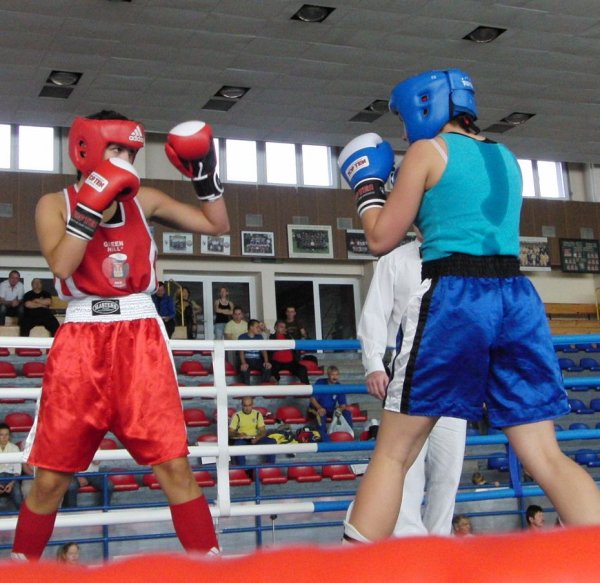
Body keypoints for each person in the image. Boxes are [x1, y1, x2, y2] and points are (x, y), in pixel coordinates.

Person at [338, 69, 600, 544]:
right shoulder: (506, 157)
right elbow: (455, 223)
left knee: (394, 453)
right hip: (516, 299)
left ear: (424, 107)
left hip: (456, 298)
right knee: (545, 454)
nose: (404, 134)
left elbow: (380, 238)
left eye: (404, 121)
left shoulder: (427, 152)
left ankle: (352, 570)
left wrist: (367, 189)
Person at [12, 111, 228, 560]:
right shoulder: (54, 203)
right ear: (86, 150)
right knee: (49, 479)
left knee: (175, 468)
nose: (126, 159)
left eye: (131, 151)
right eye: (116, 149)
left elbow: (216, 226)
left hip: (139, 337)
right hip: (80, 342)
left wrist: (205, 178)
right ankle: (19, 570)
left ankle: (211, 569)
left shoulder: (144, 200)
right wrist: (91, 206)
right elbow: (62, 265)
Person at [355, 236, 467, 536]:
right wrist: (374, 364)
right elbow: (375, 314)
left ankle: (438, 539)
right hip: (408, 372)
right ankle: (408, 541)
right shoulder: (393, 261)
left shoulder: (463, 256)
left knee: (448, 470)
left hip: (453, 374)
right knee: (406, 465)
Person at [228, 397, 277, 467]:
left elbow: (263, 431)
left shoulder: (257, 414)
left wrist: (257, 437)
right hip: (242, 439)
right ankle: (242, 468)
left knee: (272, 441)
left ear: (252, 405)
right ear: (242, 405)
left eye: (249, 405)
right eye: (245, 406)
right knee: (238, 445)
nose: (247, 408)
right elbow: (230, 432)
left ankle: (270, 467)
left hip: (255, 437)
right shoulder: (237, 415)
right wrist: (239, 434)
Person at [308, 366, 353, 441]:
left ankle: (349, 436)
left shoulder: (339, 386)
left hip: (330, 409)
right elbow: (312, 399)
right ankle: (323, 439)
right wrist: (319, 408)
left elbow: (343, 404)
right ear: (328, 375)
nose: (335, 377)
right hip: (315, 408)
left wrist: (339, 409)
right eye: (332, 375)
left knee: (346, 413)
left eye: (336, 375)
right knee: (321, 414)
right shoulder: (320, 382)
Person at [268, 320, 310, 385]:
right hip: (276, 363)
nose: (283, 329)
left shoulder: (289, 337)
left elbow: (302, 339)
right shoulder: (271, 337)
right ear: (275, 328)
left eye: (284, 327)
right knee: (272, 372)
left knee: (302, 369)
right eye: (281, 327)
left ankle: (307, 389)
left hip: (290, 362)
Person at [237, 319, 272, 384]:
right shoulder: (242, 337)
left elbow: (263, 350)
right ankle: (246, 389)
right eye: (257, 327)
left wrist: (266, 362)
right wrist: (243, 363)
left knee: (267, 367)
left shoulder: (260, 337)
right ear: (251, 327)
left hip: (258, 361)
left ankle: (264, 388)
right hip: (247, 360)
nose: (259, 329)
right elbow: (241, 352)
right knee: (244, 369)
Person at [0, 423, 23, 510]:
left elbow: (17, 470)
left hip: (11, 477)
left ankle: (21, 515)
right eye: (1, 435)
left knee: (17, 495)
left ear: (9, 436)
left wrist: (12, 483)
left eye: (6, 434)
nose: (4, 437)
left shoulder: (15, 448)